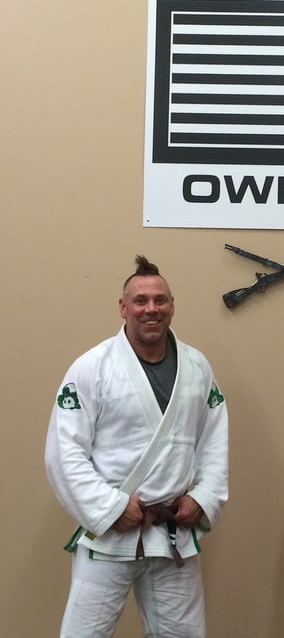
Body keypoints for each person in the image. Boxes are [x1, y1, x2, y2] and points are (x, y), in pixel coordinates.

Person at [45, 255, 228, 638]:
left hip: (172, 533)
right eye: (140, 300)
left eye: (160, 300)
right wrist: (111, 507)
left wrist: (203, 497)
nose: (151, 309)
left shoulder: (196, 366)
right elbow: (64, 454)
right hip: (110, 534)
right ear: (123, 307)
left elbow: (213, 441)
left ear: (172, 306)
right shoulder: (92, 367)